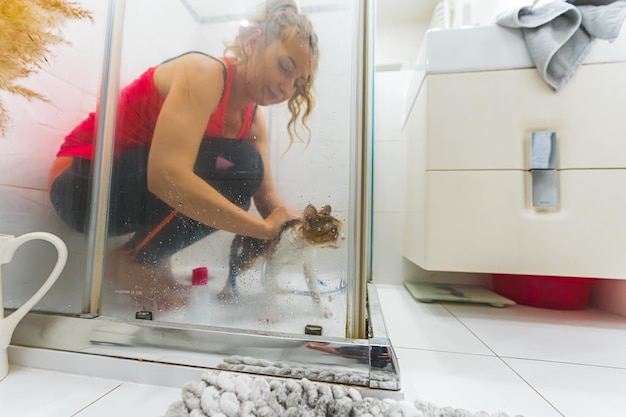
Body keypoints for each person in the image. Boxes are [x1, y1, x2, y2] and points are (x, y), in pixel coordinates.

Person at [47, 0, 319, 310]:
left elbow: (266, 198)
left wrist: (294, 227)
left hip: (120, 189)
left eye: (298, 83)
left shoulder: (253, 120)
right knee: (241, 166)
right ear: (253, 41)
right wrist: (260, 229)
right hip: (80, 185)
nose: (287, 88)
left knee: (242, 180)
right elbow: (166, 177)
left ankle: (148, 257)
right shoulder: (205, 73)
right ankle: (130, 263)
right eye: (284, 67)